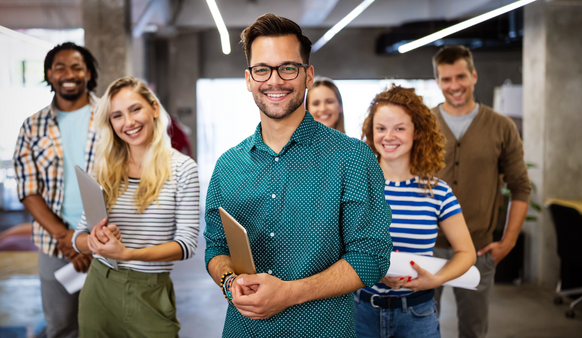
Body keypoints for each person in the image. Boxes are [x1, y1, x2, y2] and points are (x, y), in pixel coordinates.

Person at [203, 14, 393, 337]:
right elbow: (216, 246)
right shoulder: (227, 166)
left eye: (288, 68)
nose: (274, 81)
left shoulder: (352, 158)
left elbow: (371, 257)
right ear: (249, 79)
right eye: (262, 69)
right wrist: (229, 281)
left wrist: (289, 294)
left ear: (308, 76)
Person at [71, 77, 200, 337]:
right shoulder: (103, 169)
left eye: (135, 109)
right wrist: (95, 242)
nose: (128, 122)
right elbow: (79, 237)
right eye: (117, 115)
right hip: (99, 288)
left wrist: (127, 253)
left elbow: (186, 246)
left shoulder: (183, 168)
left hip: (150, 291)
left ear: (153, 108)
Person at [356, 85, 476, 338]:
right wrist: (374, 271)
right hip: (361, 312)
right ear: (371, 132)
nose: (389, 136)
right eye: (381, 128)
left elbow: (467, 253)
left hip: (417, 314)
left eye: (399, 128)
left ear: (417, 133)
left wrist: (436, 279)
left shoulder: (438, 192)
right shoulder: (357, 186)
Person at [431, 45, 531, 338]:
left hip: (478, 248)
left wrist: (508, 241)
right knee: (421, 328)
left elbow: (520, 186)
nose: (454, 86)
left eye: (460, 76)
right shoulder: (422, 124)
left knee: (473, 330)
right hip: (426, 246)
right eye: (446, 79)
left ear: (474, 76)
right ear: (438, 81)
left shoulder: (502, 127)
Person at [13, 42, 99, 338]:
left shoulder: (112, 118)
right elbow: (28, 189)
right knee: (62, 327)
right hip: (55, 246)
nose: (68, 73)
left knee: (109, 325)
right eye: (59, 67)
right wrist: (67, 239)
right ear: (49, 74)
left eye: (76, 66)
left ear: (88, 72)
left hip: (108, 243)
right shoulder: (32, 126)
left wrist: (89, 241)